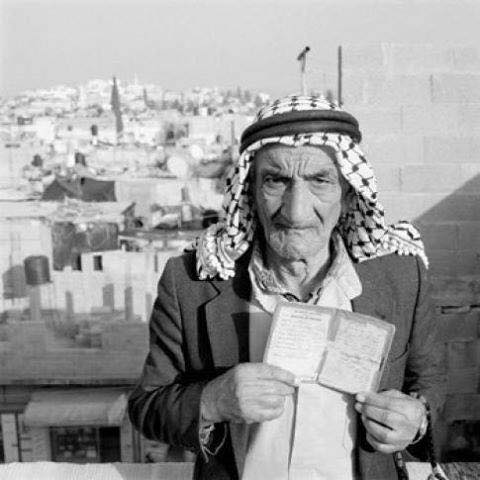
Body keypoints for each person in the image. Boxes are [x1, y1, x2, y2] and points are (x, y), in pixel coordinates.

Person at [128, 95, 445, 480]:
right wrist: (212, 400)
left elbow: (431, 388)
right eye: (276, 181)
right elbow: (147, 406)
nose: (295, 212)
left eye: (320, 181)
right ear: (250, 190)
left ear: (348, 195)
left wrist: (416, 421)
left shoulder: (400, 277)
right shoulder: (191, 282)